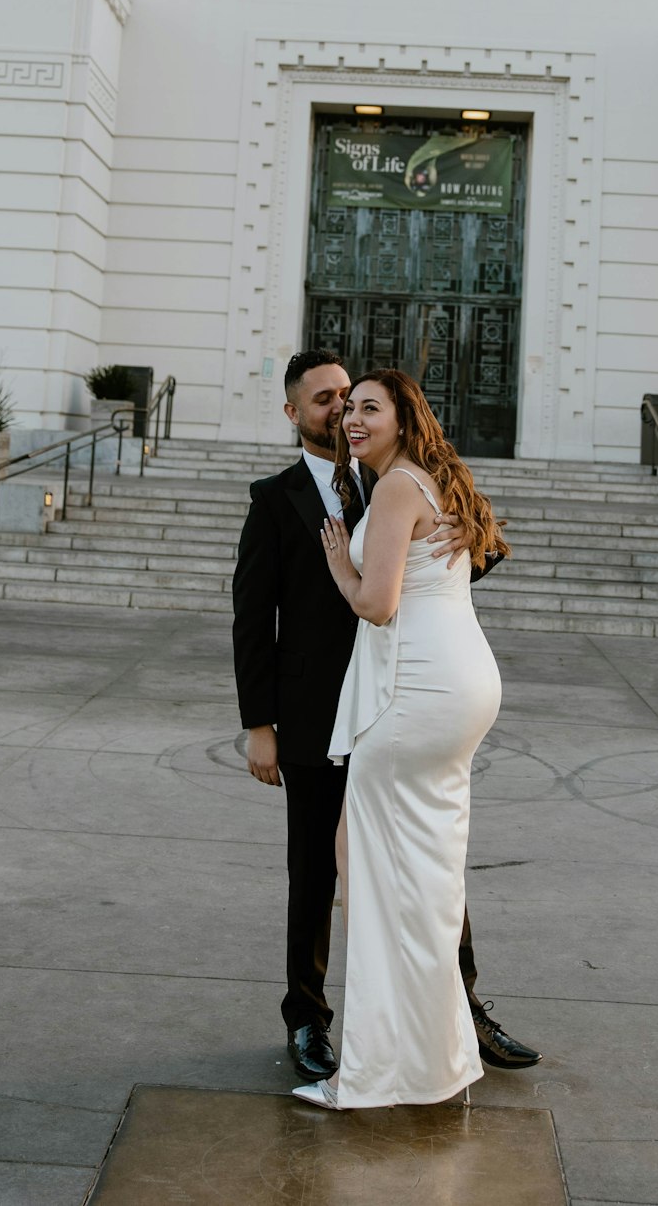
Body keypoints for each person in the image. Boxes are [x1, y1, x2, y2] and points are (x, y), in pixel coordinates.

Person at [232, 349, 540, 1089]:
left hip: (402, 703)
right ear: (292, 413)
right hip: (314, 715)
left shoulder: (393, 477)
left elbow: (470, 555)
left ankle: (459, 1011)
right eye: (326, 400)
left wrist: (470, 535)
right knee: (315, 873)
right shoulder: (274, 502)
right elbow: (252, 618)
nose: (341, 410)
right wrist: (259, 722)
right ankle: (308, 1021)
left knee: (424, 858)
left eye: (351, 397)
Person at [292, 368, 514, 1109]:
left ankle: (391, 1064)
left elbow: (378, 606)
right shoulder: (434, 480)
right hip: (465, 681)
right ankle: (437, 1052)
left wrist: (338, 564)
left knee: (381, 878)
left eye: (369, 409)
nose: (352, 420)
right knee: (424, 874)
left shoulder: (393, 488)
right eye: (348, 409)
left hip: (416, 691)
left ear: (403, 417)